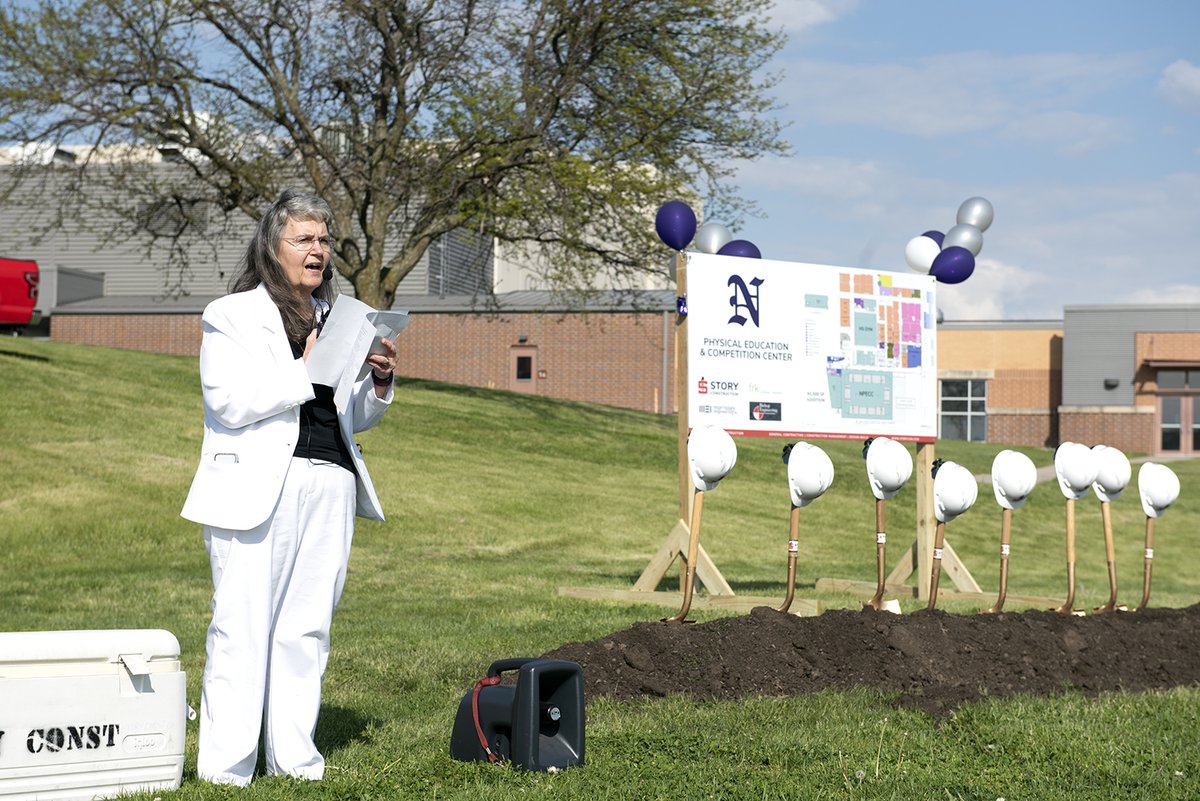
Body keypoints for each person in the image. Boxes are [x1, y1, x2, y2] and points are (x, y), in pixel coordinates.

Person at [181, 189, 398, 785]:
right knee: (242, 629)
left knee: (306, 630)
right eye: (303, 238)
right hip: (258, 486)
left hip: (330, 480)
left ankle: (296, 762)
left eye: (323, 239)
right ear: (272, 246)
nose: (317, 249)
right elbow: (229, 400)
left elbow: (348, 414)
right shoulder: (231, 315)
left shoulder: (338, 319)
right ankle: (227, 771)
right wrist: (306, 368)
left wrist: (378, 382)